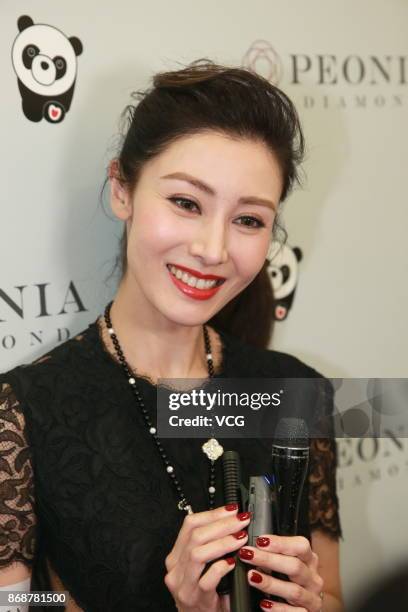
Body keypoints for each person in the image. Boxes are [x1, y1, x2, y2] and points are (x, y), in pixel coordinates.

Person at [0, 59, 344, 611]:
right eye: (186, 203)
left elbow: (334, 597)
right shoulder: (20, 414)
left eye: (248, 220)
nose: (213, 249)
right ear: (122, 190)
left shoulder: (298, 394)